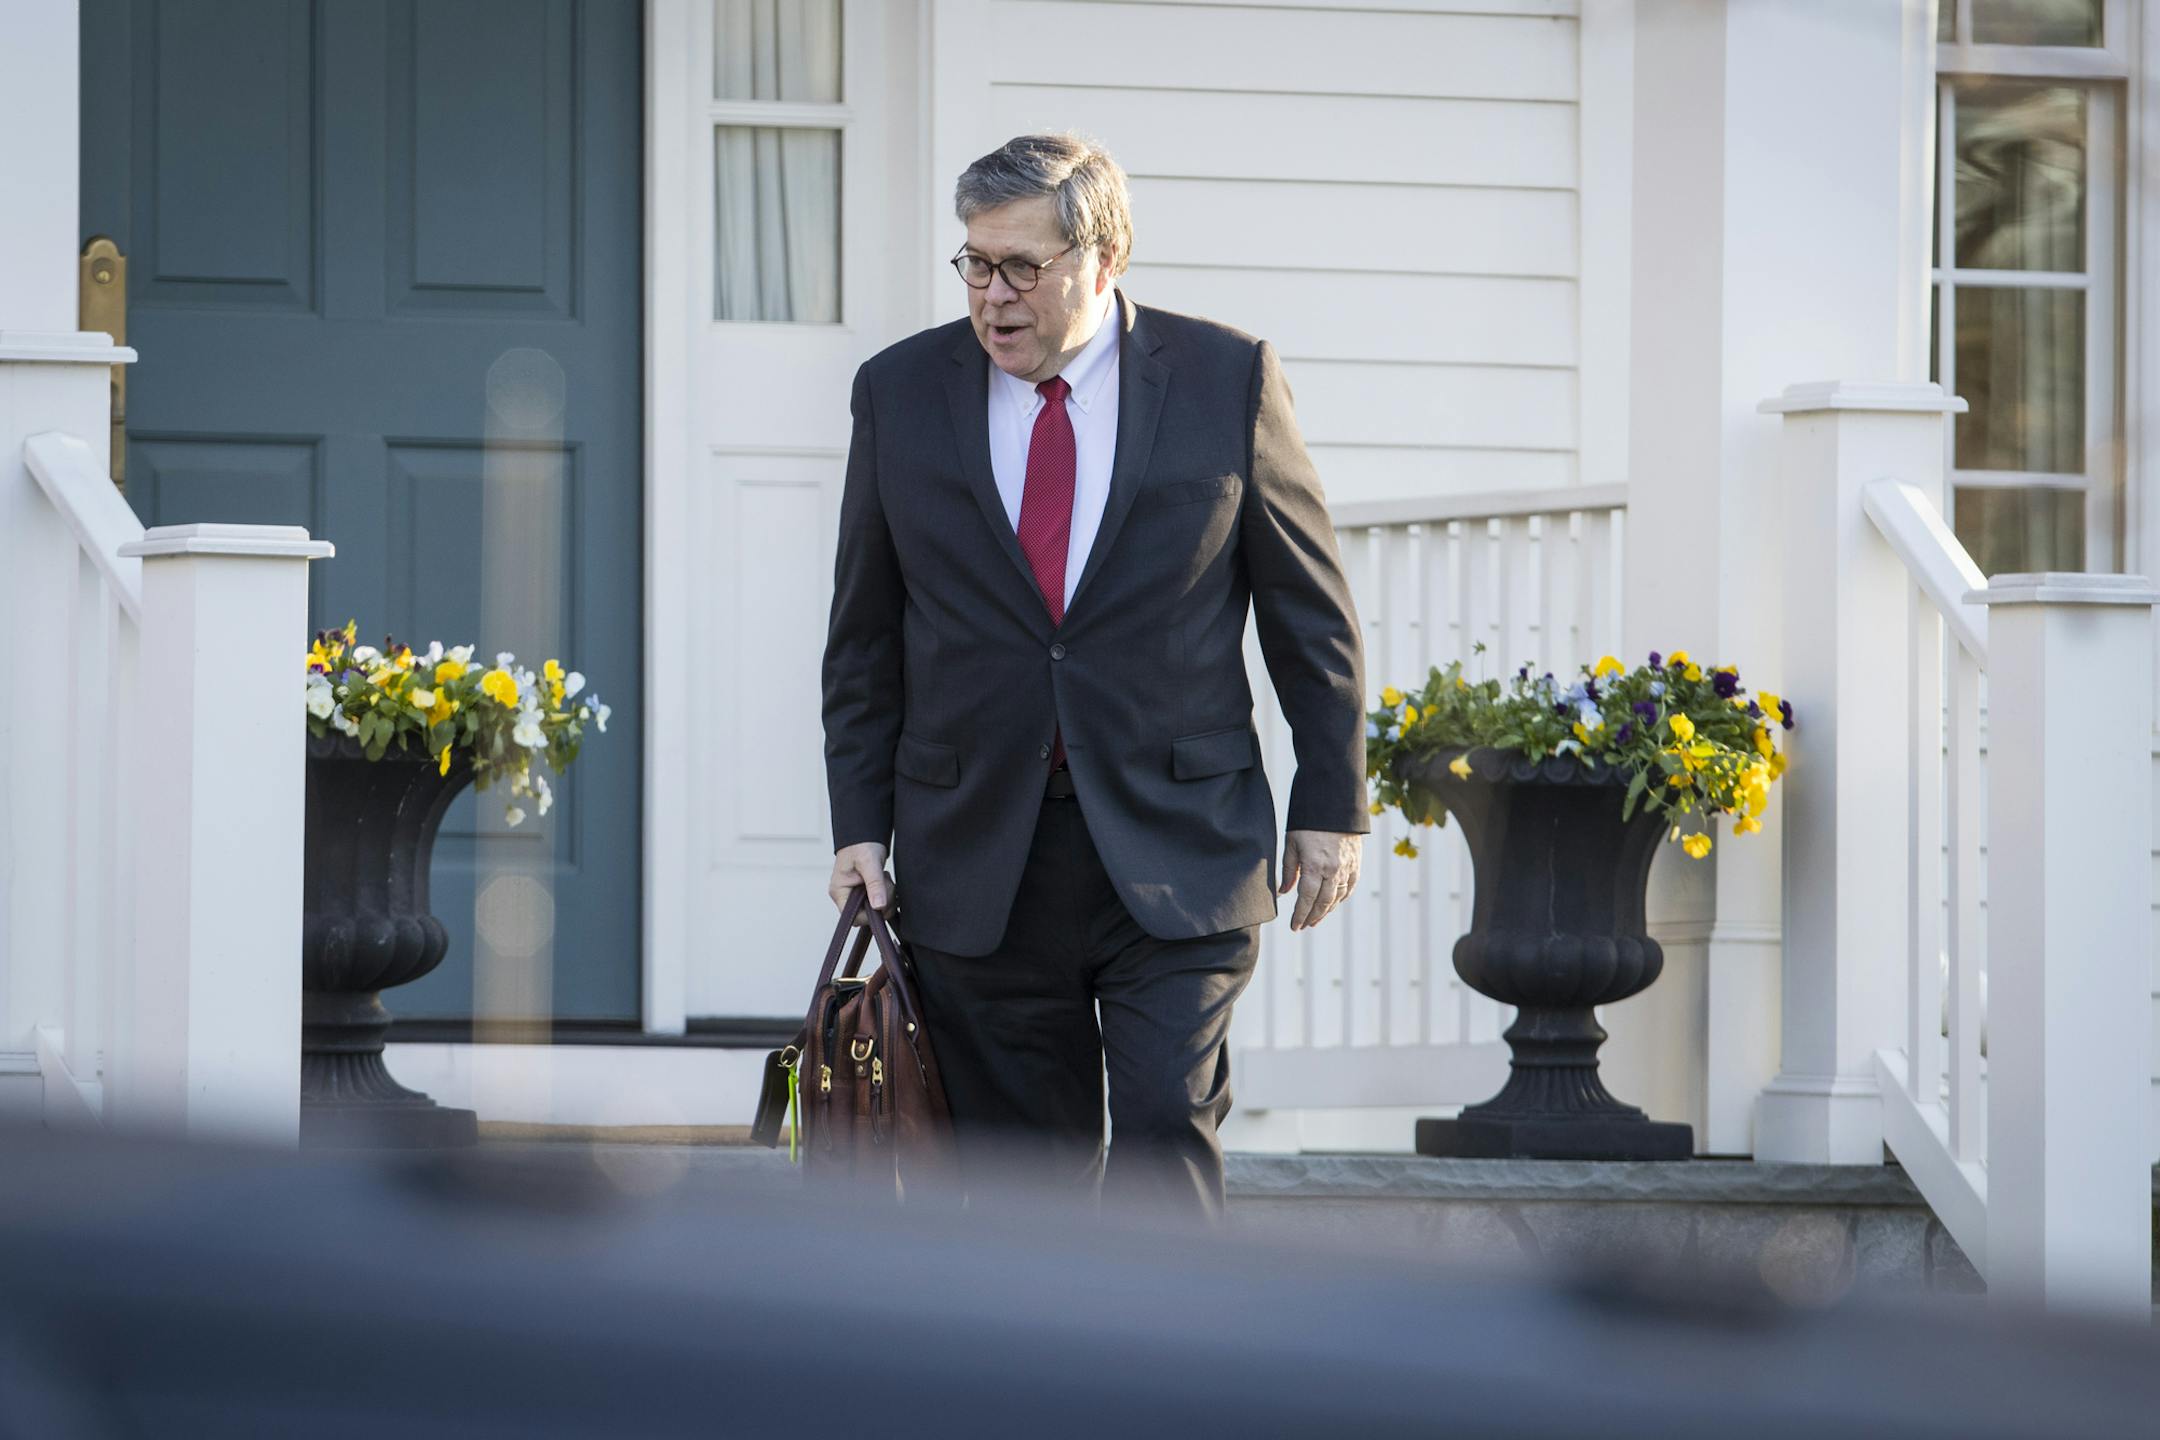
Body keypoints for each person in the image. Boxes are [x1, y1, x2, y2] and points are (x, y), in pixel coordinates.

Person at [820, 132, 1366, 1219]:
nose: (994, 296)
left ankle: (1170, 1337)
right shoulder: (900, 391)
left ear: (1105, 257)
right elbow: (865, 635)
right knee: (1023, 1183)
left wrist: (1331, 802)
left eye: (1023, 267)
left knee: (1166, 1128)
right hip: (979, 850)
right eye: (976, 263)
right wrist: (858, 825)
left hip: (1180, 841)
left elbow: (1309, 612)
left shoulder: (1226, 379)